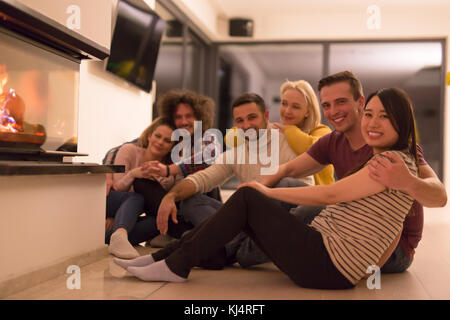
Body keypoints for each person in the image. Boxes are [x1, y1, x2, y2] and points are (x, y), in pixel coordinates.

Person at [114, 87, 423, 289]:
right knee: (227, 200)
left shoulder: (392, 162)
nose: (372, 122)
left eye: (384, 117)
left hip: (326, 262)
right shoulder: (392, 160)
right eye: (369, 114)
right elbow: (391, 221)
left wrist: (269, 192)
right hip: (322, 250)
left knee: (249, 195)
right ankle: (167, 258)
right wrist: (171, 192)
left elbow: (329, 194)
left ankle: (175, 262)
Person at [260, 70, 447, 273]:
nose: (333, 111)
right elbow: (289, 168)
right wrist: (256, 188)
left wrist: (408, 181)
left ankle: (242, 250)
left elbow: (440, 197)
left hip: (392, 248)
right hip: (345, 228)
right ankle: (240, 239)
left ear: (360, 102)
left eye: (341, 102)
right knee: (284, 183)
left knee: (309, 211)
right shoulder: (333, 141)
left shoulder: (397, 149)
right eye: (327, 105)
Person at [152, 92, 314, 268]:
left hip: (289, 221)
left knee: (283, 185)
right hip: (252, 226)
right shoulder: (237, 153)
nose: (246, 125)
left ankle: (225, 248)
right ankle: (232, 248)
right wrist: (171, 196)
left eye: (252, 117)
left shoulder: (288, 140)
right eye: (240, 120)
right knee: (191, 200)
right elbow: (203, 178)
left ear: (266, 115)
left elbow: (307, 194)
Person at [131, 89, 221, 244]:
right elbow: (137, 145)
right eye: (178, 117)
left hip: (199, 202)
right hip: (174, 205)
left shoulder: (208, 137)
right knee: (141, 182)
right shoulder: (172, 140)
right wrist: (110, 166)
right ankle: (183, 233)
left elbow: (209, 155)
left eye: (189, 116)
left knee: (197, 183)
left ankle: (181, 233)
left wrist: (169, 169)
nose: (184, 121)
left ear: (200, 117)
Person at [105, 117, 176, 259]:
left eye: (167, 141)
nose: (160, 142)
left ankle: (115, 237)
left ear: (172, 147)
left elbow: (151, 205)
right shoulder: (129, 150)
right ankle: (119, 234)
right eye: (157, 136)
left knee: (158, 222)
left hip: (126, 213)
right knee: (137, 197)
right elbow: (118, 187)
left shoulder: (168, 175)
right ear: (150, 136)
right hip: (109, 201)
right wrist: (133, 174)